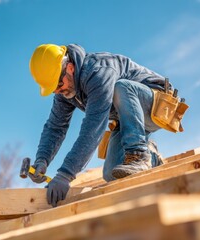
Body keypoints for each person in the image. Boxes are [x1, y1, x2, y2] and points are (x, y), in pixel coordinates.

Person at [28, 43, 168, 207]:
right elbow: (55, 126)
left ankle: (139, 154)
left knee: (121, 87)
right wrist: (42, 160)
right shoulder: (65, 91)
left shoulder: (98, 72)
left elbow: (93, 128)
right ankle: (150, 155)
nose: (58, 91)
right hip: (129, 120)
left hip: (157, 104)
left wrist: (65, 174)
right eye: (53, 89)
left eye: (58, 85)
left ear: (70, 67)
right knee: (113, 173)